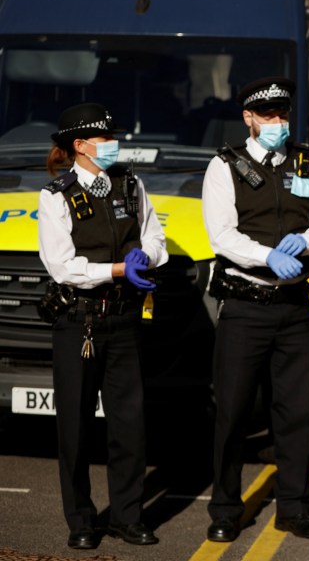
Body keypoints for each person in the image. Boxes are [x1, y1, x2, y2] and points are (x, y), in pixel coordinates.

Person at [201, 77, 309, 542]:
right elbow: (221, 235)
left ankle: (294, 506)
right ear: (249, 119)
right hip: (246, 305)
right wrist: (267, 256)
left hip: (298, 305)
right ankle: (224, 508)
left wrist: (307, 240)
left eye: (283, 116)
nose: (277, 124)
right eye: (268, 117)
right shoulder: (225, 166)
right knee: (234, 409)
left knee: (297, 411)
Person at [38, 103, 167, 550]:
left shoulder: (130, 184)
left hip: (124, 320)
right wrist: (116, 269)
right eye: (104, 138)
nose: (114, 145)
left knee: (129, 425)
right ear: (80, 146)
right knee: (74, 429)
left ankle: (127, 517)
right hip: (80, 324)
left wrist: (143, 256)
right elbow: (62, 267)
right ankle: (81, 520)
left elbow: (155, 236)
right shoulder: (56, 195)